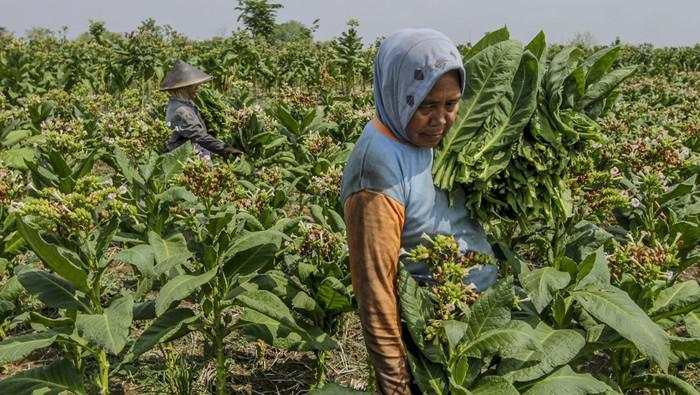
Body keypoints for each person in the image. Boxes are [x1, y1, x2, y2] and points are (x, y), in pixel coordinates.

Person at [340, 29, 498, 394]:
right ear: (397, 94)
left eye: (451, 105)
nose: (441, 120)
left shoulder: (420, 138)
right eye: (426, 106)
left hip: (470, 320)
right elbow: (375, 292)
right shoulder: (376, 173)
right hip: (435, 342)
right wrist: (396, 386)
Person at [160, 60, 243, 159]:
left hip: (188, 151)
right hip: (184, 157)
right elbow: (199, 136)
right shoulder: (181, 110)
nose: (198, 89)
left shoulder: (184, 103)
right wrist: (225, 149)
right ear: (183, 88)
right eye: (194, 86)